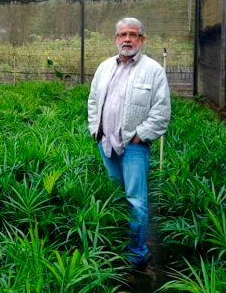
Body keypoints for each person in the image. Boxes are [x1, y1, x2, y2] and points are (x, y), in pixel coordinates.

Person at [87, 17, 171, 268]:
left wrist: (139, 135)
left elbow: (161, 111)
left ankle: (136, 254)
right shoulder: (104, 67)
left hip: (134, 146)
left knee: (136, 200)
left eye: (133, 35)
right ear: (116, 38)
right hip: (105, 143)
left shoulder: (153, 70)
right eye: (123, 34)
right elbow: (93, 101)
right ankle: (116, 243)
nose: (127, 39)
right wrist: (95, 129)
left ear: (142, 40)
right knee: (115, 197)